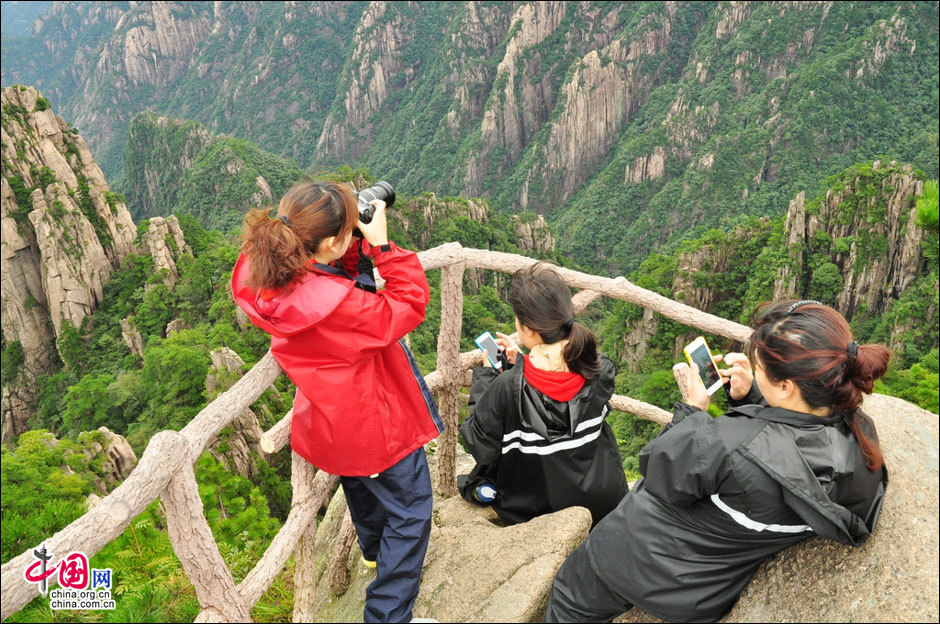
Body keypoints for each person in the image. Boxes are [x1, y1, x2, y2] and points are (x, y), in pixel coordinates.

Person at [545, 299, 890, 623]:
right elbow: (782, 451)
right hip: (706, 593)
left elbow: (661, 471)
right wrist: (751, 396)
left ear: (785, 386)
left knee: (566, 598)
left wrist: (692, 410)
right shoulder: (859, 439)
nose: (754, 370)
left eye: (760, 368)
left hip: (636, 561)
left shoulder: (729, 444)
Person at [231, 181, 443, 623]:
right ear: (328, 242)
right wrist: (382, 247)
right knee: (411, 511)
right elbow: (407, 305)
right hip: (376, 423)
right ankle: (388, 614)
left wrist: (350, 245)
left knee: (361, 484)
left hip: (331, 421)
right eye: (347, 229)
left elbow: (325, 272)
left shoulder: (271, 267)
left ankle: (371, 552)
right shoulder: (336, 307)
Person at [458, 263, 628, 527]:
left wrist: (487, 378)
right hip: (604, 499)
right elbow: (558, 384)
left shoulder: (506, 387)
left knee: (472, 482)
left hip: (538, 508)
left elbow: (479, 444)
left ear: (527, 329)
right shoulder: (599, 368)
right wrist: (522, 364)